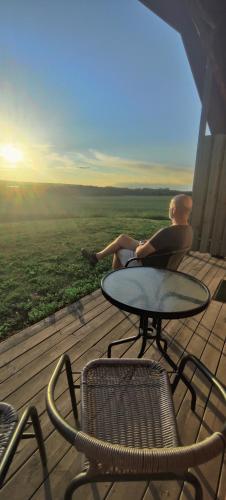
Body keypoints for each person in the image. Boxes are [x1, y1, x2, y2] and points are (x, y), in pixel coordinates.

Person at [81, 194, 193, 269]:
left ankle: (117, 281)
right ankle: (96, 257)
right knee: (123, 238)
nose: (169, 209)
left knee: (119, 250)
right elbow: (163, 245)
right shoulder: (188, 231)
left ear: (173, 210)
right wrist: (148, 243)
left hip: (151, 269)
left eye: (170, 207)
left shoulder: (168, 232)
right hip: (162, 264)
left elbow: (140, 254)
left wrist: (141, 246)